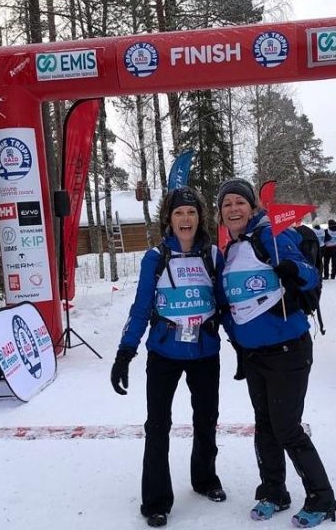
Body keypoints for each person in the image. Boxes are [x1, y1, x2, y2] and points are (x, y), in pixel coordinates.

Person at [218, 178, 336, 529]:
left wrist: (292, 270)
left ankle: (322, 497)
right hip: (255, 356)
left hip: (288, 350)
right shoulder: (231, 249)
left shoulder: (272, 236)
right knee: (266, 428)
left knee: (286, 428)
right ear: (221, 214)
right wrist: (237, 341)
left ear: (253, 207)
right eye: (227, 205)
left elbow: (310, 276)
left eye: (240, 202)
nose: (234, 209)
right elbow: (233, 303)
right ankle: (273, 491)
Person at [111, 186, 227, 528]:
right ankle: (157, 500)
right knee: (158, 425)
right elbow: (141, 307)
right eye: (179, 213)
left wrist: (245, 349)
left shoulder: (214, 256)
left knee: (206, 418)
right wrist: (125, 352)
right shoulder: (155, 258)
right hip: (164, 352)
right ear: (169, 219)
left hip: (205, 350)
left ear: (200, 217)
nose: (186, 218)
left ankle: (205, 478)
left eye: (191, 212)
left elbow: (226, 305)